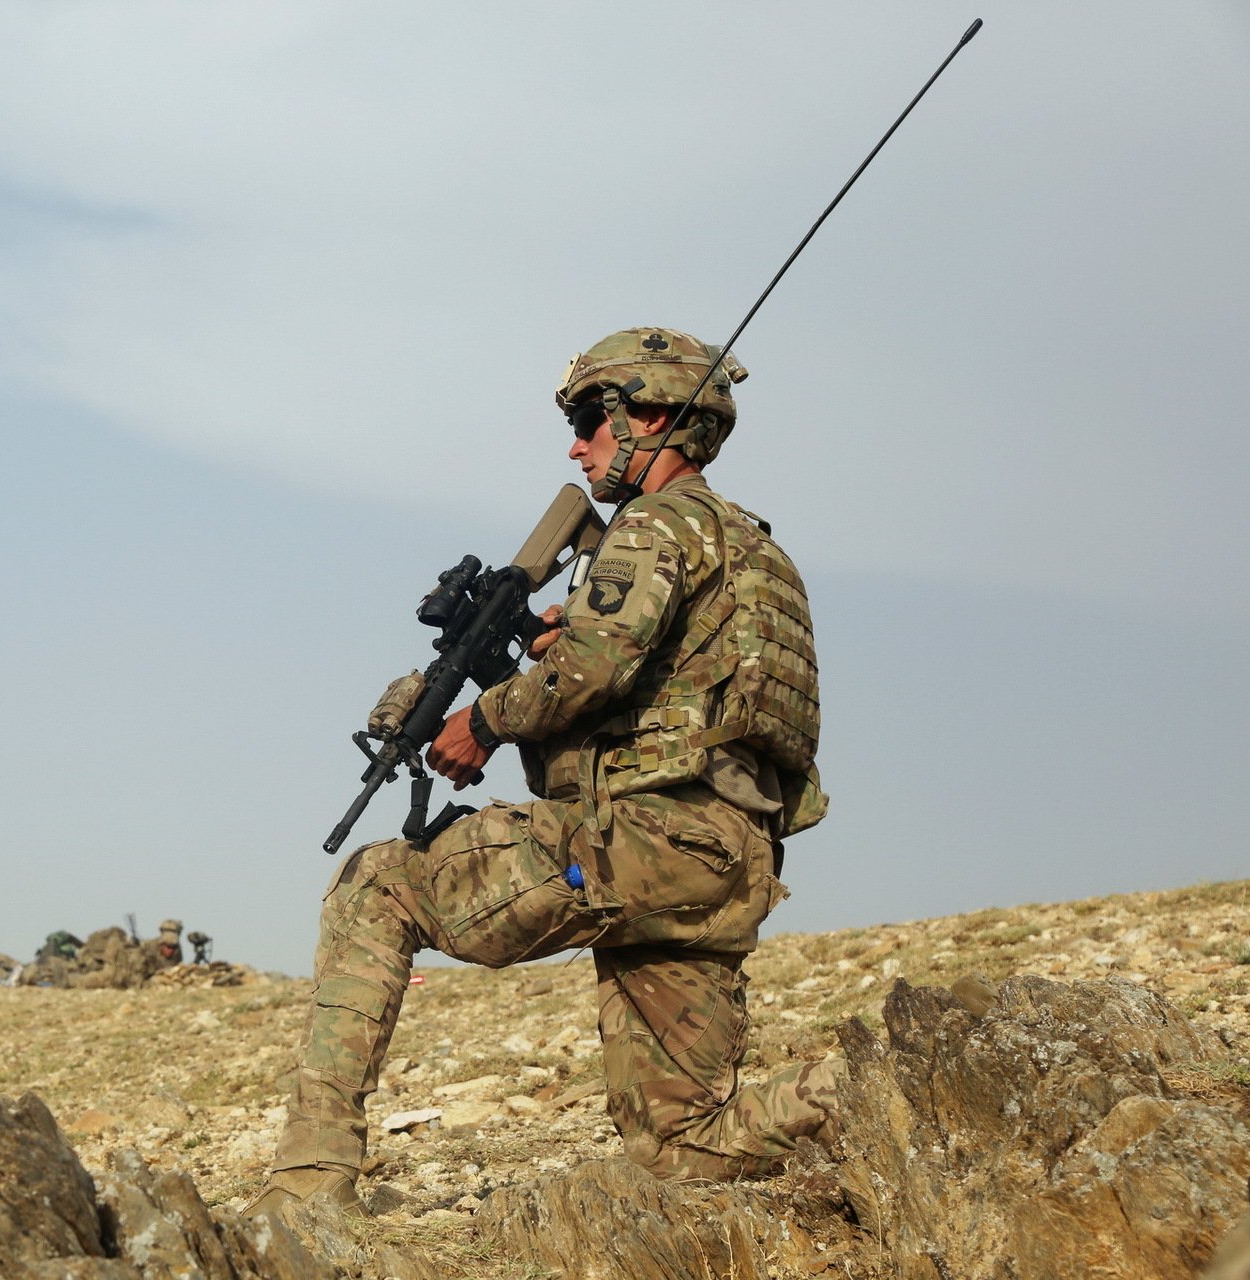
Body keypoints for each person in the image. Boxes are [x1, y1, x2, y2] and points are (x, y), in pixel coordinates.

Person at [251, 327, 842, 1217]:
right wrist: (525, 651)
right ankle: (886, 1076)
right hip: (724, 862)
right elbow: (638, 689)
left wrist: (480, 722)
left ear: (650, 416)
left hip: (643, 839)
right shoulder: (753, 549)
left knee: (377, 886)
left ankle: (306, 1186)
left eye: (589, 420)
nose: (577, 444)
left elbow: (589, 676)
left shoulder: (653, 526)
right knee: (686, 1145)